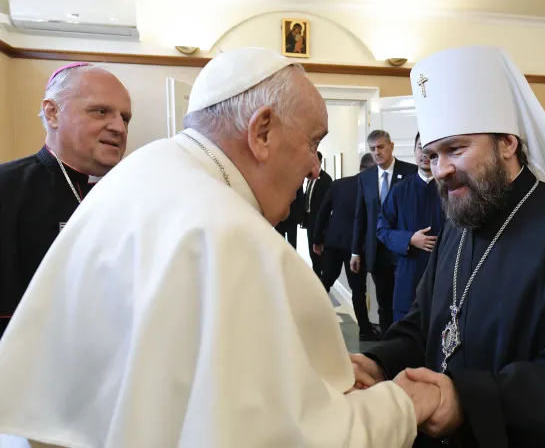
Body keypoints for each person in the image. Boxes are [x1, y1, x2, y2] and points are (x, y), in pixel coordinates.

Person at [0, 47, 444, 448]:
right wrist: (405, 403)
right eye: (313, 142)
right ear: (262, 131)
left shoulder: (147, 170)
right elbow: (297, 438)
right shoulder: (226, 233)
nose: (314, 165)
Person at [352, 46, 545, 447]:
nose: (441, 170)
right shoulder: (459, 223)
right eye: (434, 155)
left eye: (456, 149)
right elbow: (427, 323)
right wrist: (378, 361)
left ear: (508, 143)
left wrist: (467, 402)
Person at [0, 62, 131, 337]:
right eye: (101, 111)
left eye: (125, 118)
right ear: (53, 113)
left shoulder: (133, 194)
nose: (119, 127)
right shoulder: (6, 187)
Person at [351, 130, 417, 335]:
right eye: (372, 149)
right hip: (377, 252)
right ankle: (389, 346)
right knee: (383, 304)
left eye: (381, 147)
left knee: (408, 302)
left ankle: (409, 343)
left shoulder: (411, 172)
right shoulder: (366, 178)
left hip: (404, 250)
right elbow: (360, 217)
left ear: (391, 146)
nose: (377, 152)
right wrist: (355, 252)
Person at [377, 132, 444, 322]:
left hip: (443, 275)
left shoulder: (452, 189)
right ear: (414, 150)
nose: (424, 153)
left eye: (430, 148)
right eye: (420, 147)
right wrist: (409, 239)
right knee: (405, 337)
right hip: (408, 274)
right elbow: (382, 230)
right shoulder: (399, 190)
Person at [313, 153, 380, 341]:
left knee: (326, 280)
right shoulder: (371, 188)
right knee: (358, 289)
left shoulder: (339, 184)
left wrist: (317, 239)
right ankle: (365, 330)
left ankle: (309, 317)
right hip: (356, 246)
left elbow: (323, 212)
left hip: (334, 241)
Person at [303, 151, 332, 276]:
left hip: (320, 223)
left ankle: (322, 281)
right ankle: (316, 276)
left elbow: (326, 205)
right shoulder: (310, 179)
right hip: (310, 221)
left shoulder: (326, 179)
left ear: (319, 162)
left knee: (319, 253)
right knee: (311, 252)